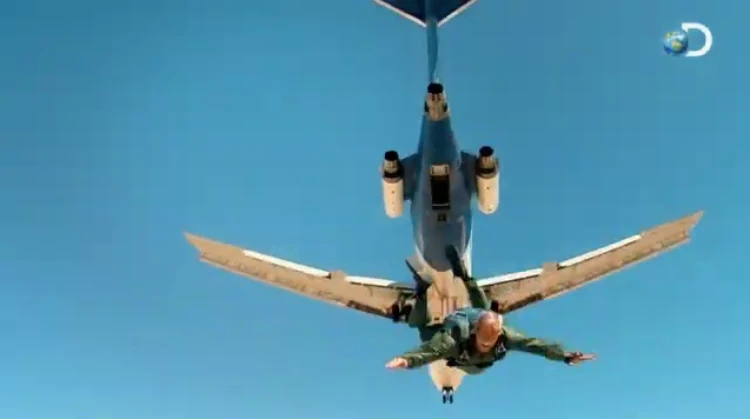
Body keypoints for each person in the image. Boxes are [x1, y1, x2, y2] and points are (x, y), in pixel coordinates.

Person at [385, 307, 595, 374]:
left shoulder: (506, 337)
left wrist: (566, 356)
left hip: (475, 363)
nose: (488, 345)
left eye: (491, 342)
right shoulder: (454, 338)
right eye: (485, 342)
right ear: (475, 332)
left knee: (478, 368)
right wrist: (406, 360)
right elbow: (430, 351)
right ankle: (421, 303)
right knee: (426, 334)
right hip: (458, 329)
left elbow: (535, 345)